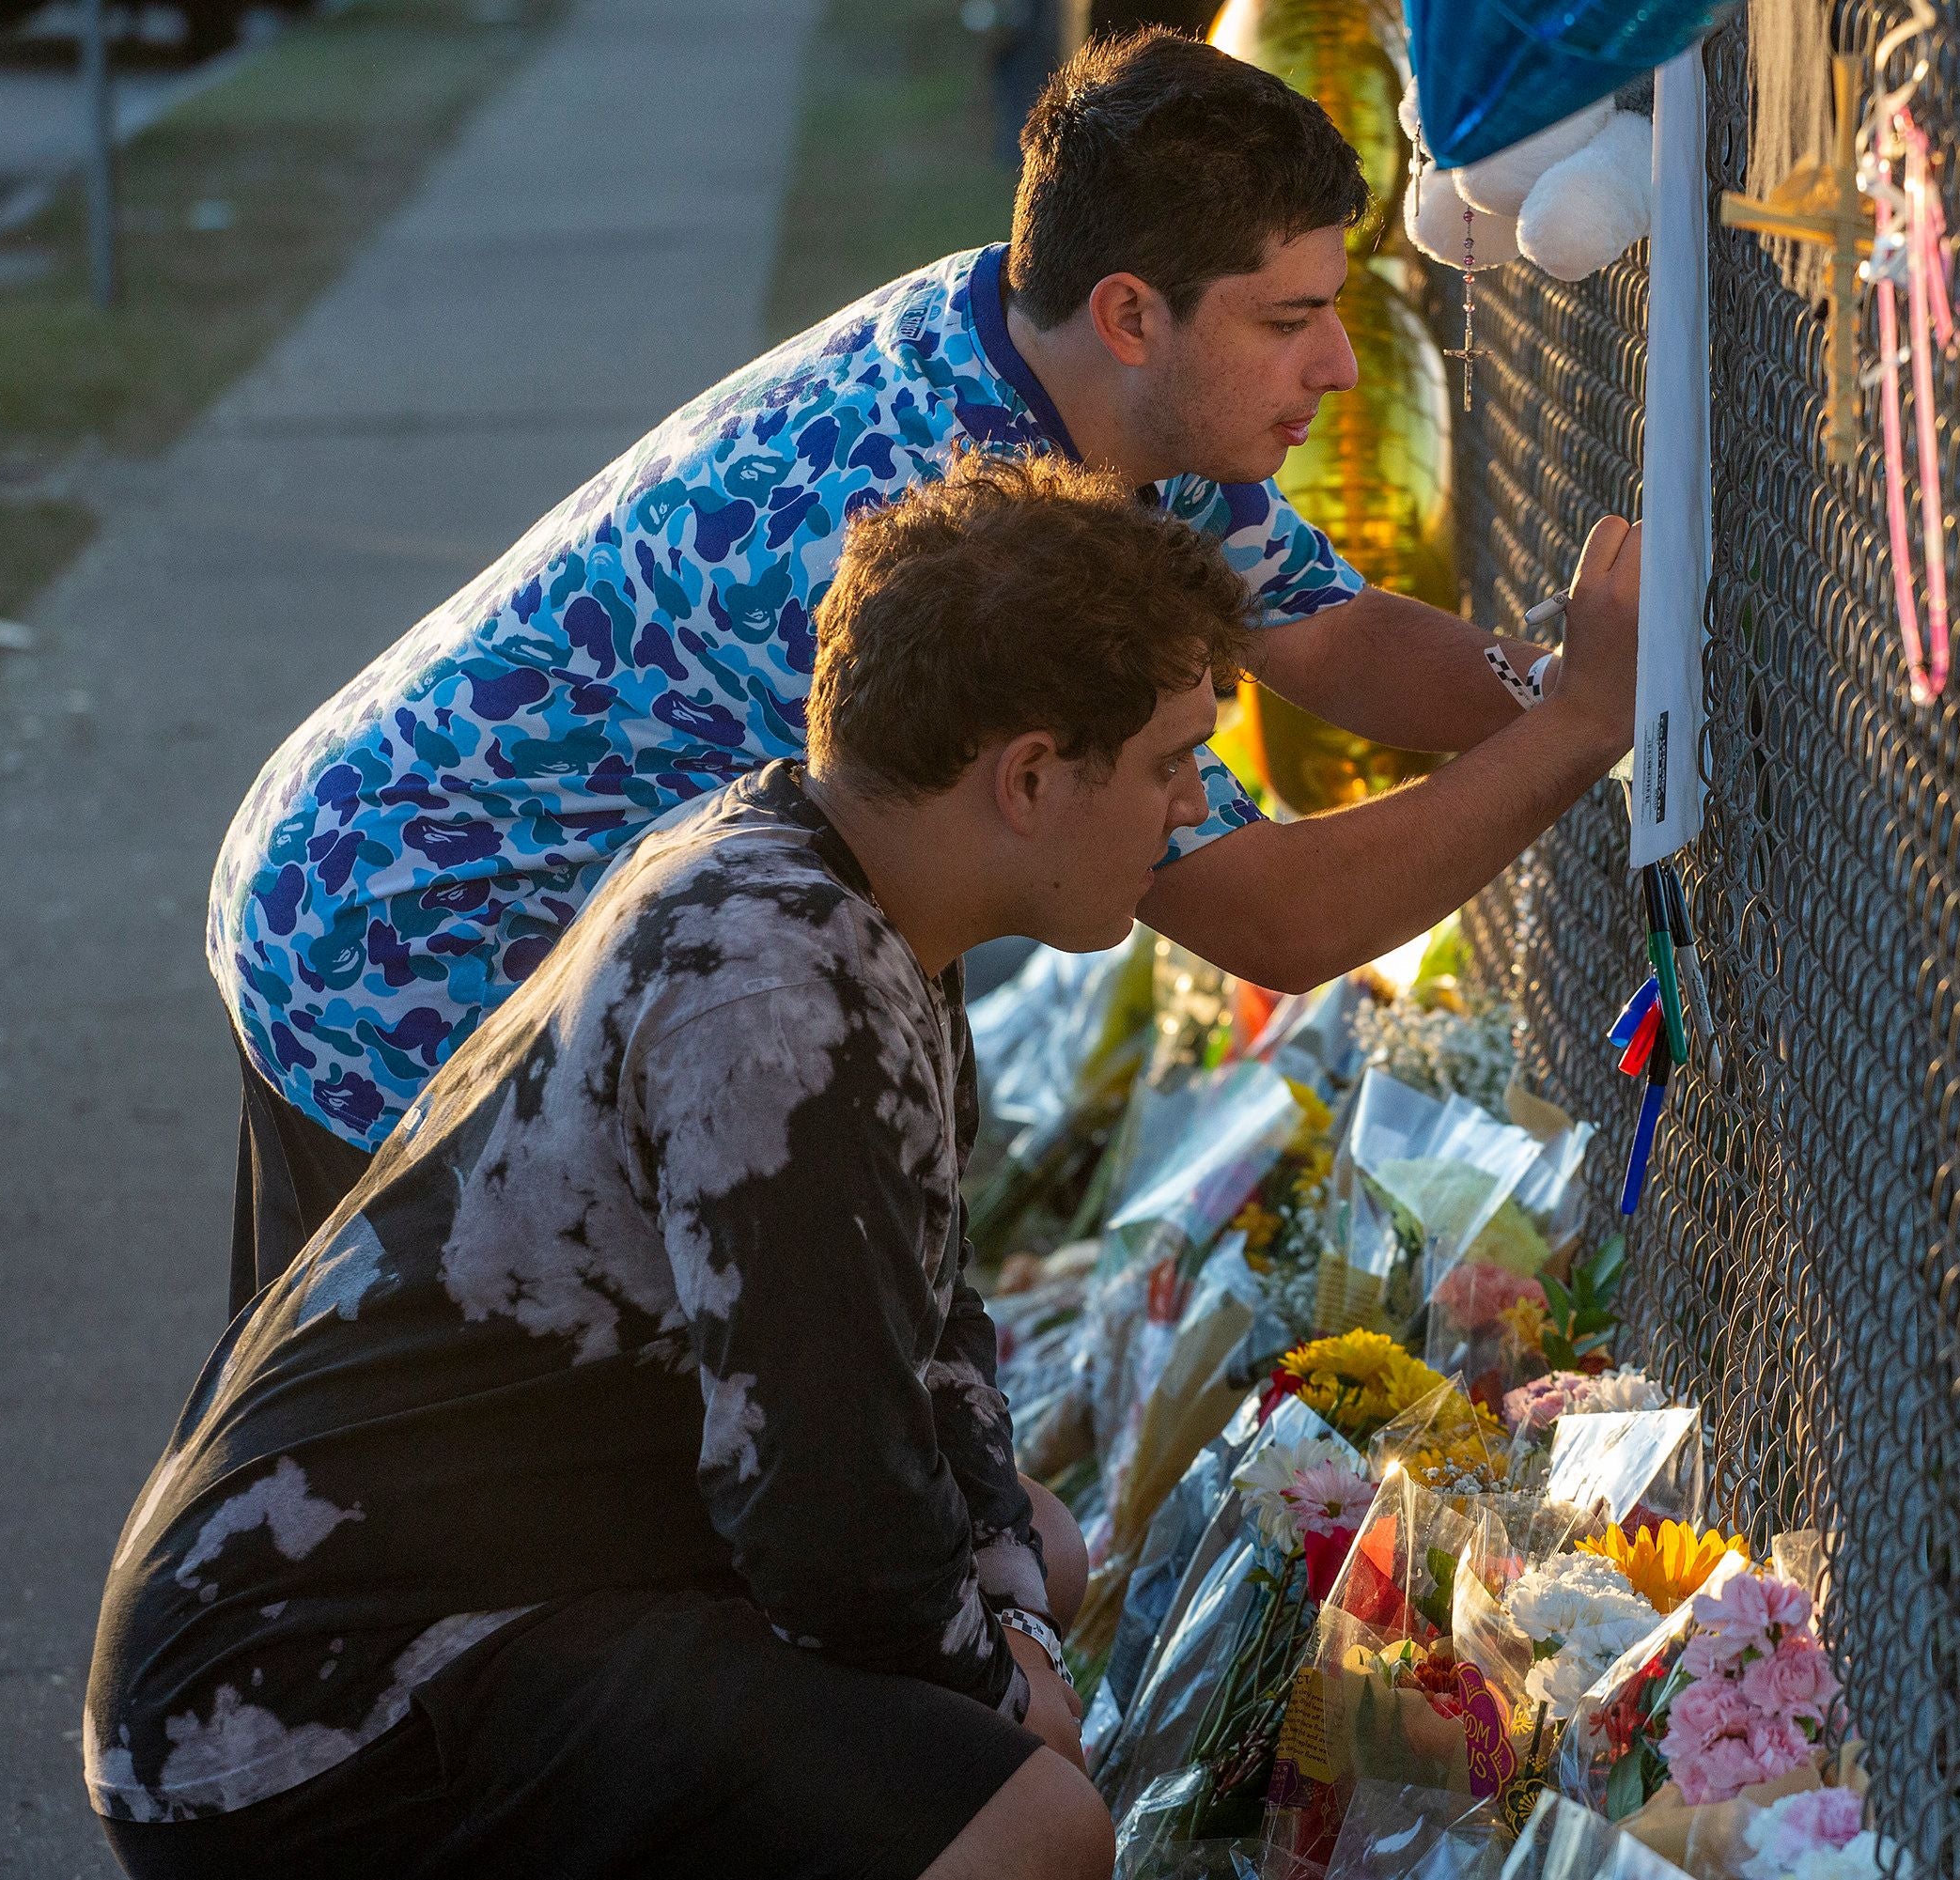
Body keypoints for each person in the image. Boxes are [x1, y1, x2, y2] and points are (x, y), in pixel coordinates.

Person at [210, 26, 1643, 1309]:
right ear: (1135, 312)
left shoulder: (1066, 356)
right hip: (398, 944)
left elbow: (1333, 632)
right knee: (419, 1518)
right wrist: (1576, 724)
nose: (1338, 367)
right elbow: (1276, 915)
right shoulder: (988, 538)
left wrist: (1575, 683)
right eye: (1290, 321)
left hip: (390, 858)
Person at [89, 455, 1328, 1877]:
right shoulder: (775, 997)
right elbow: (822, 1504)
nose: (1192, 806)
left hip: (456, 1583)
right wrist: (998, 1699)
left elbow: (927, 1330)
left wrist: (1011, 1618)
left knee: (1033, 1550)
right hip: (298, 1713)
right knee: (1036, 1828)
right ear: (1032, 777)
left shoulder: (837, 884)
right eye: (1174, 762)